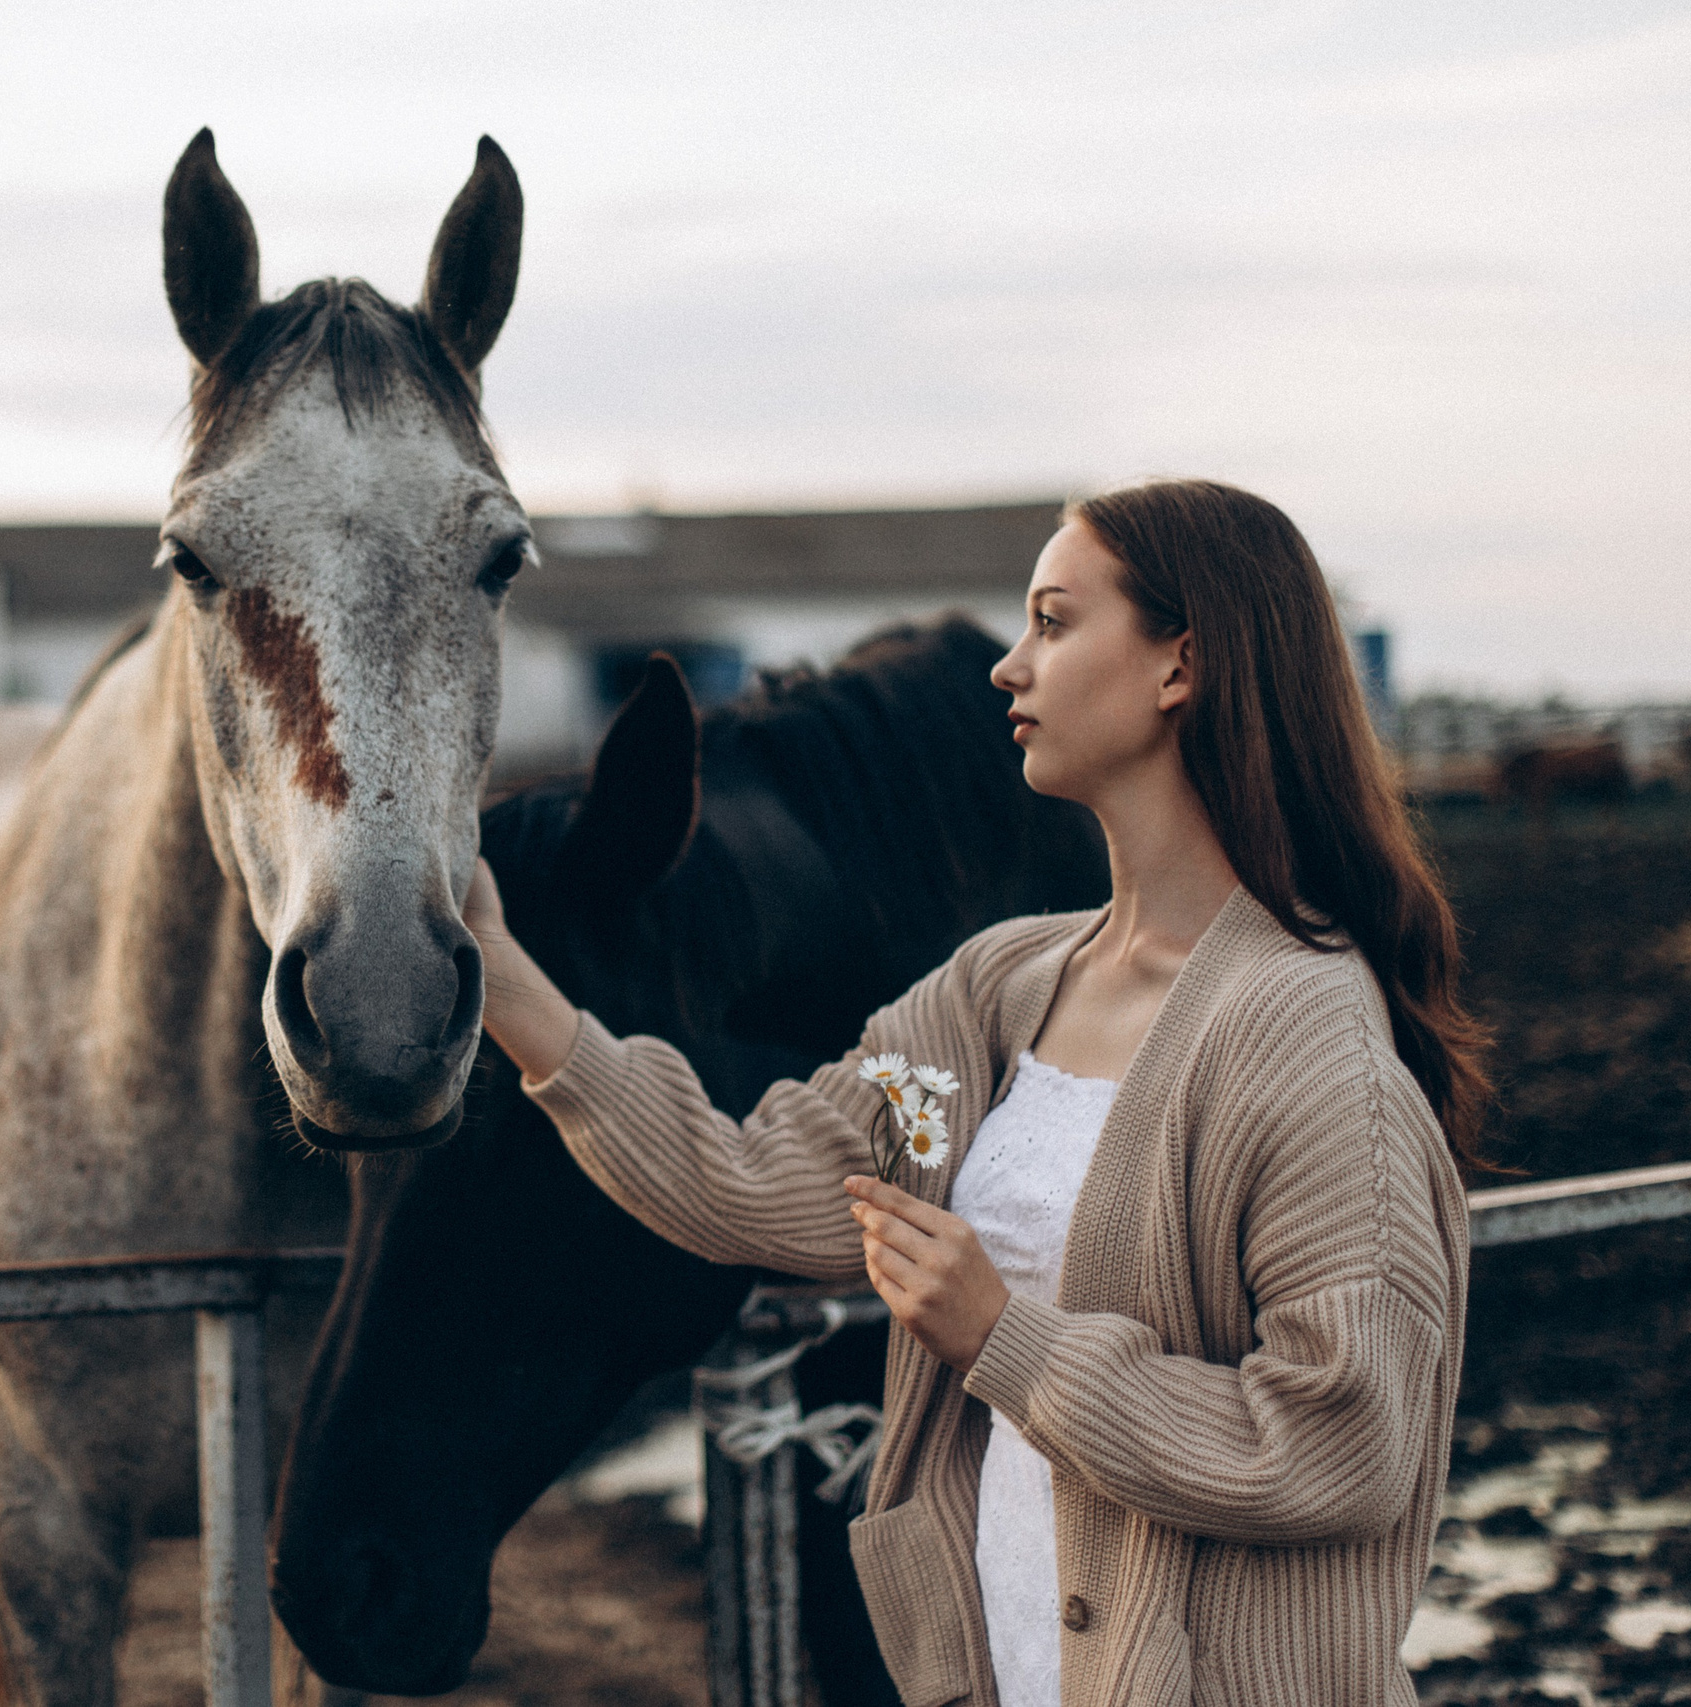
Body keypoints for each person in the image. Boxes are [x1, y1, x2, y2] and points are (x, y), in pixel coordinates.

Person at [464, 479, 1484, 1707]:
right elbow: (762, 1184)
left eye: (1053, 622)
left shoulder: (1305, 1041)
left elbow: (1339, 1443)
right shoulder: (998, 999)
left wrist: (1004, 1338)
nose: (1008, 668)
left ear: (1181, 667)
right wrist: (511, 989)